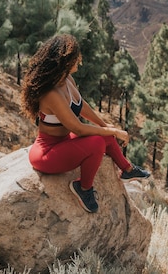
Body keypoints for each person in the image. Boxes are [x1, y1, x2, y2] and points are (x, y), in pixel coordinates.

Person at [21, 34, 150, 213]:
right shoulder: (51, 94)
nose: (79, 62)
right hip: (46, 153)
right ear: (64, 61)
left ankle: (127, 169)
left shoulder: (67, 81)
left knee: (102, 134)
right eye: (76, 59)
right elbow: (78, 129)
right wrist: (111, 131)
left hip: (64, 143)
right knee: (97, 140)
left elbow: (82, 107)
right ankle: (83, 188)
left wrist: (106, 127)